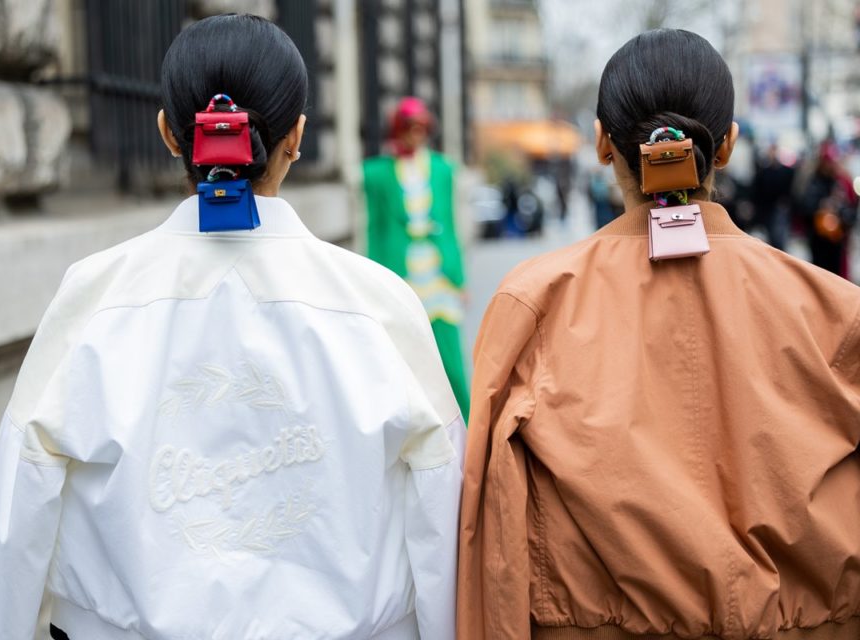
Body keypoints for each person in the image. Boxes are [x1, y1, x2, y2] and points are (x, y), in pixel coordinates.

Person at [0, 15, 464, 640]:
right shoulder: (380, 305)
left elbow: (19, 508)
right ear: (297, 137)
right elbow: (444, 507)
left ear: (170, 136)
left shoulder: (92, 297)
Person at [458, 29, 860, 640]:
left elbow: (490, 516)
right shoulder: (836, 311)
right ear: (724, 146)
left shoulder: (533, 301)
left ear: (600, 142)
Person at [363, 97, 470, 420]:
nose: (417, 134)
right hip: (402, 274)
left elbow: (450, 225)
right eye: (410, 127)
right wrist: (373, 283)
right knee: (405, 359)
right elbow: (375, 229)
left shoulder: (442, 169)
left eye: (422, 128)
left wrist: (460, 277)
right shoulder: (376, 175)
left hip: (440, 274)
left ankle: (469, 428)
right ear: (398, 129)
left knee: (451, 359)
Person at [799, 141, 857, 278]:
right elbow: (804, 208)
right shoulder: (813, 181)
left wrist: (839, 210)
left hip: (837, 240)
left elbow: (851, 211)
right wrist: (821, 206)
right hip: (818, 240)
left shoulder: (842, 182)